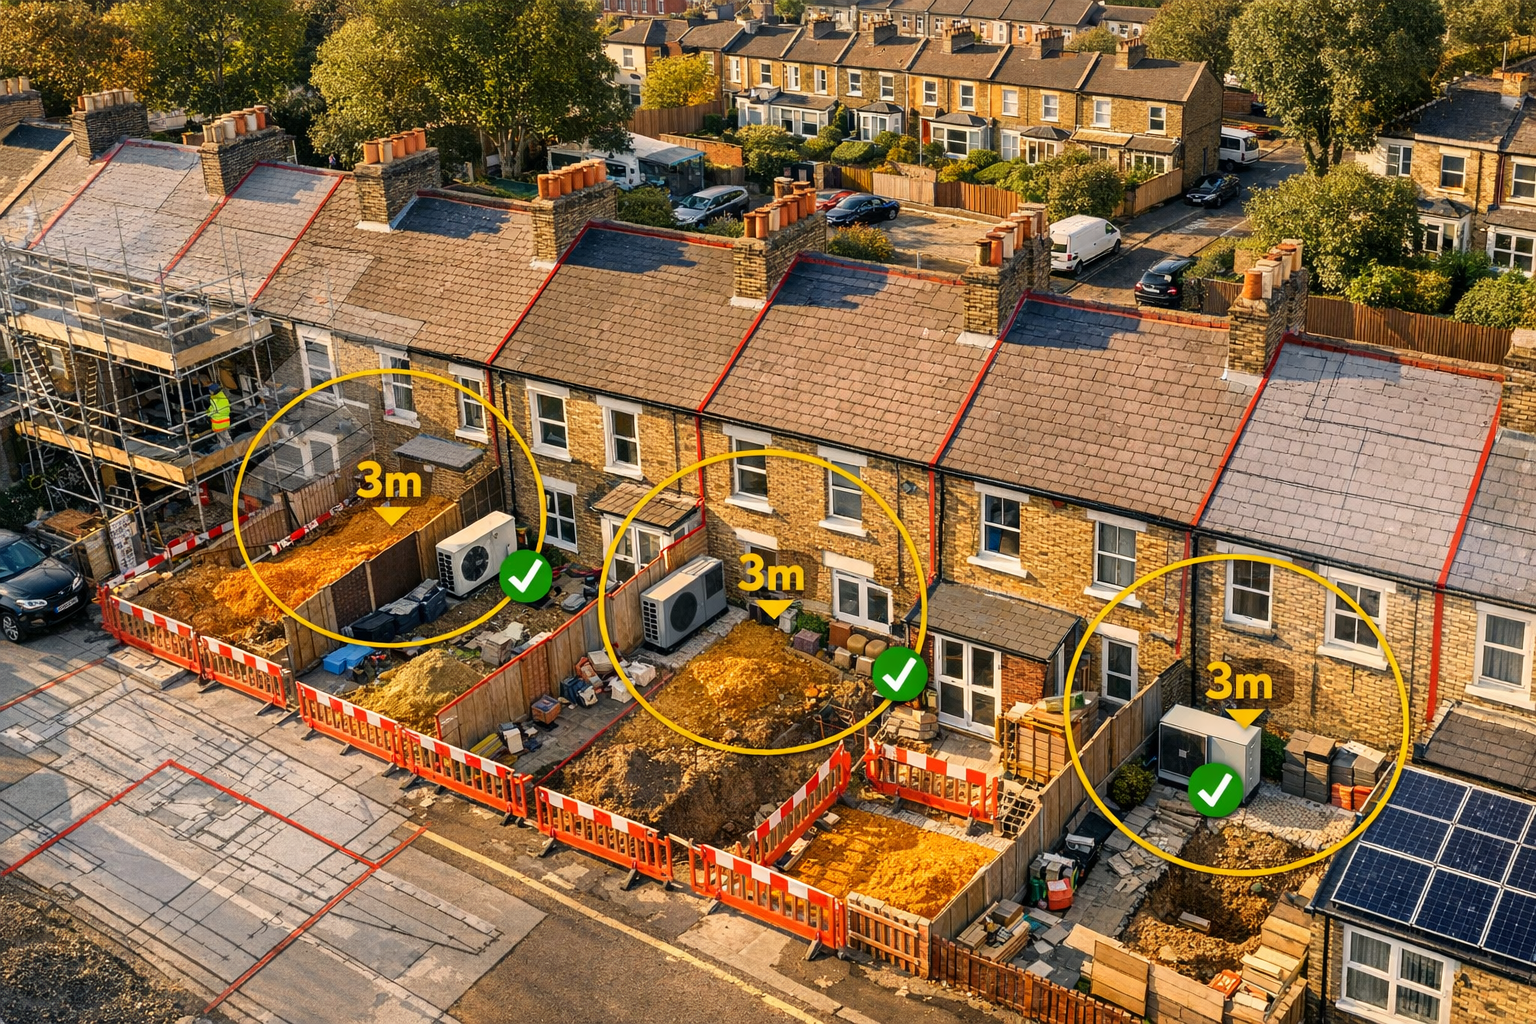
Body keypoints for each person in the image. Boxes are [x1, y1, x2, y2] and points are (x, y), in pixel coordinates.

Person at [207, 382, 232, 447]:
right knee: (226, 436)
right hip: (226, 420)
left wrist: (208, 413)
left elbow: (214, 409)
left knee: (223, 439)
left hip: (218, 422)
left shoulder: (214, 399)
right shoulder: (222, 395)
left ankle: (227, 449)